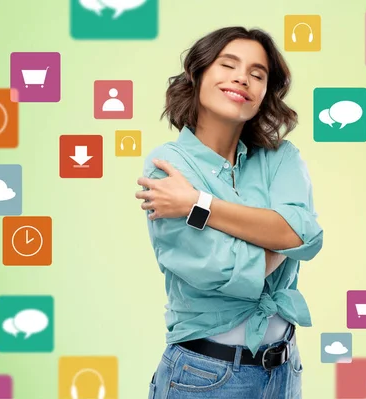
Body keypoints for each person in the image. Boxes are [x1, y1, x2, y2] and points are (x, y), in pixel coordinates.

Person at [135, 26, 323, 399]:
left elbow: (304, 234)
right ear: (198, 73)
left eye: (257, 74)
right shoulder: (167, 168)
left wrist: (197, 204)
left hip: (285, 371)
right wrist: (276, 233)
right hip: (205, 376)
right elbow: (225, 269)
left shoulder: (280, 156)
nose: (243, 78)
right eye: (229, 65)